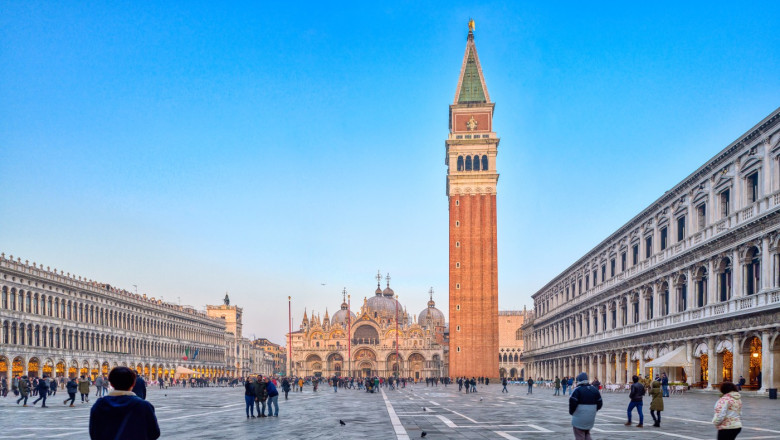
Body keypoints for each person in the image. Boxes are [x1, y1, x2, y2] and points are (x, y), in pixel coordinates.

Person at [89, 366, 160, 440]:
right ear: (133, 383)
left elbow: (94, 433)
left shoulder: (99, 405)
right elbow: (154, 433)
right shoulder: (144, 406)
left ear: (112, 384)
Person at [569, 372, 602, 440]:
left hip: (579, 417)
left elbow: (572, 403)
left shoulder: (577, 390)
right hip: (590, 418)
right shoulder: (594, 390)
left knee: (579, 434)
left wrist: (572, 412)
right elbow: (600, 403)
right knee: (587, 433)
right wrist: (594, 410)